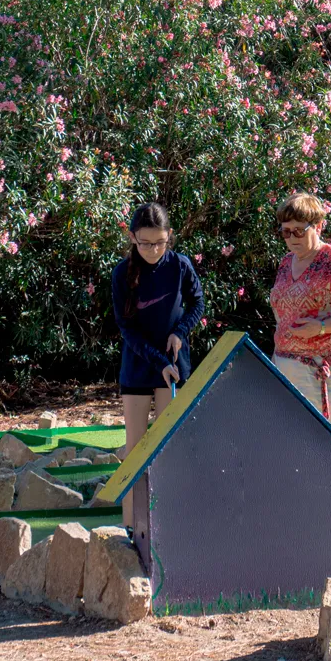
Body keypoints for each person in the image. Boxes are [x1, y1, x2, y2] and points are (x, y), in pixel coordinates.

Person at [111, 202, 204, 529]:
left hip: (174, 366)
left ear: (170, 236)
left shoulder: (180, 265)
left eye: (160, 243)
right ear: (132, 237)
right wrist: (159, 361)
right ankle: (130, 526)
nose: (153, 250)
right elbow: (127, 329)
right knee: (135, 447)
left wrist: (180, 332)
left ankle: (171, 524)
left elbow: (197, 303)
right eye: (145, 243)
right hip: (138, 367)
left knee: (169, 445)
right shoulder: (122, 274)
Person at [268, 193, 331, 435]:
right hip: (287, 367)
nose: (292, 238)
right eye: (286, 232)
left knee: (325, 443)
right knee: (291, 443)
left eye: (299, 231)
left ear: (318, 226)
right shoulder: (286, 263)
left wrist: (321, 327)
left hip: (326, 371)